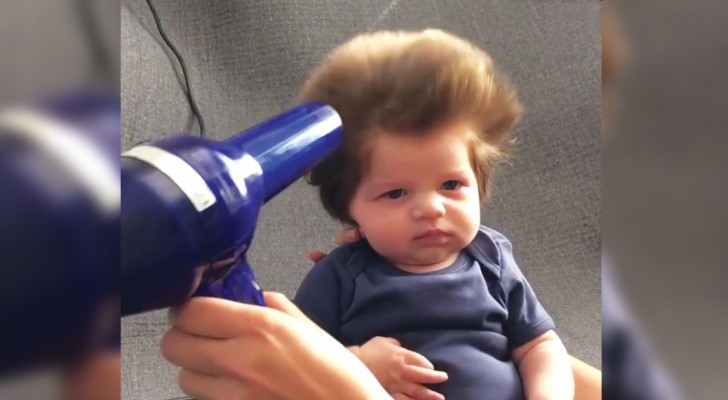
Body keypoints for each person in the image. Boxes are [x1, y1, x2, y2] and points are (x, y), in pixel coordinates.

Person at [291, 29, 573, 400]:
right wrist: (356, 362)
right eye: (395, 193)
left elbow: (539, 347)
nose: (431, 208)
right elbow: (294, 363)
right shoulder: (342, 276)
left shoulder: (491, 259)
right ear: (349, 209)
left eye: (452, 185)